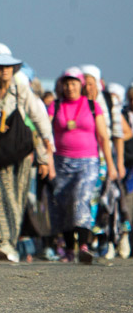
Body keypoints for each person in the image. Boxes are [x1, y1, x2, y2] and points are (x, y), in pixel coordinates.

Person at [0, 53, 54, 263]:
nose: (3, 71)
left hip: (22, 151)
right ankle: (5, 243)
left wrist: (45, 151)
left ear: (14, 69)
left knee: (17, 198)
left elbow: (38, 115)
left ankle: (10, 243)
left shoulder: (20, 87)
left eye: (8, 67)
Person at [49, 67, 118, 263]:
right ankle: (70, 248)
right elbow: (45, 133)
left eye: (74, 83)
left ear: (81, 85)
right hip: (61, 162)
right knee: (65, 203)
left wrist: (111, 165)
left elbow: (104, 137)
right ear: (62, 85)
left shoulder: (92, 105)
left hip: (88, 161)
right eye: (67, 83)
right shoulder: (55, 106)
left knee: (82, 196)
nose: (70, 87)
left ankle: (85, 245)